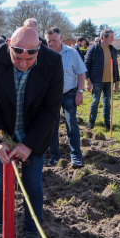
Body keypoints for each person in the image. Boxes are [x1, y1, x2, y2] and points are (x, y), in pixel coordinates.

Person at [0, 27, 63, 238]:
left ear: (39, 49)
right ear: (9, 46)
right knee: (0, 181)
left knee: (33, 184)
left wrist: (29, 144)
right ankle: (1, 228)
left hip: (34, 134)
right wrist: (1, 139)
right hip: (3, 131)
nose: (23, 63)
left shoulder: (53, 61)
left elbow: (50, 109)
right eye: (17, 57)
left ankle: (30, 233)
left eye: (30, 58)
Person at [45, 27, 87, 168]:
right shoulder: (44, 55)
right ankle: (55, 155)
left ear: (61, 38)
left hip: (69, 93)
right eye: (48, 41)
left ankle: (76, 156)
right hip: (51, 95)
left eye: (54, 40)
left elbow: (81, 74)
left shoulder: (72, 53)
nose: (51, 43)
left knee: (71, 124)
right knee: (52, 126)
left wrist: (80, 92)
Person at [85, 29, 120, 130]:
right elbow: (86, 66)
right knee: (95, 101)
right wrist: (88, 82)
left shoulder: (113, 49)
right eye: (111, 37)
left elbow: (116, 67)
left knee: (107, 102)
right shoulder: (93, 49)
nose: (113, 39)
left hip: (109, 82)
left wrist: (117, 82)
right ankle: (91, 122)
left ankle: (107, 123)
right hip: (96, 81)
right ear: (104, 37)